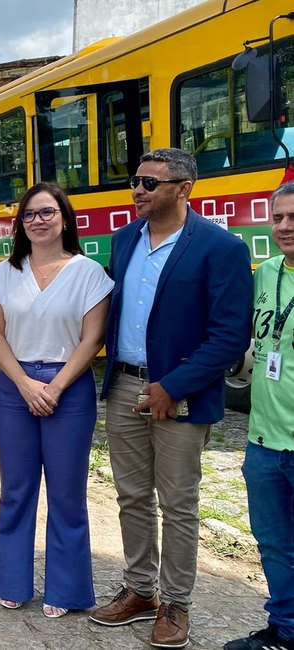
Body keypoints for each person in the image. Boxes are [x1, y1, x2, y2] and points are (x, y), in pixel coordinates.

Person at [88, 148, 252, 649]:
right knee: (132, 496)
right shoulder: (123, 240)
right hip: (124, 389)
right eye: (134, 181)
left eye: (149, 182)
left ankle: (176, 602)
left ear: (184, 188)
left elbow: (228, 336)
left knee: (178, 503)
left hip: (176, 395)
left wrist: (171, 387)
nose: (137, 190)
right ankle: (141, 591)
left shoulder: (219, 248)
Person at [0, 183, 113, 617]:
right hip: (16, 384)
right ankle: (12, 581)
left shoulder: (89, 273)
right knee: (16, 491)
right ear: (20, 223)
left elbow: (92, 338)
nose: (38, 221)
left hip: (69, 388)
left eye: (47, 212)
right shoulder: (3, 274)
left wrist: (54, 387)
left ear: (64, 217)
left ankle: (66, 590)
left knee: (67, 494)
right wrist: (23, 383)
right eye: (29, 215)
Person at [224, 181, 294, 650]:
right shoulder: (265, 272)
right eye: (279, 218)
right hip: (264, 441)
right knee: (274, 546)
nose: (285, 228)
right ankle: (285, 630)